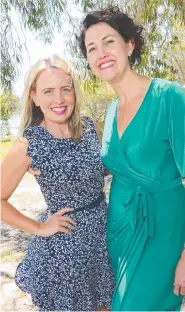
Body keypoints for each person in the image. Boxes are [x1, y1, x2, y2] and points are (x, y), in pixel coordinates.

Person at [79, 6, 185, 311]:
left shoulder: (169, 96)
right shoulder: (111, 111)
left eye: (109, 42)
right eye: (92, 48)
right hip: (120, 231)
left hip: (164, 231)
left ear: (129, 44)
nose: (101, 53)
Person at [1, 55, 114, 311]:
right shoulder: (30, 144)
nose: (59, 99)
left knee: (105, 306)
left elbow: (104, 169)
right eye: (48, 91)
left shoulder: (89, 127)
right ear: (35, 97)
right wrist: (40, 228)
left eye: (66, 89)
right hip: (65, 249)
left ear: (74, 91)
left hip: (102, 236)